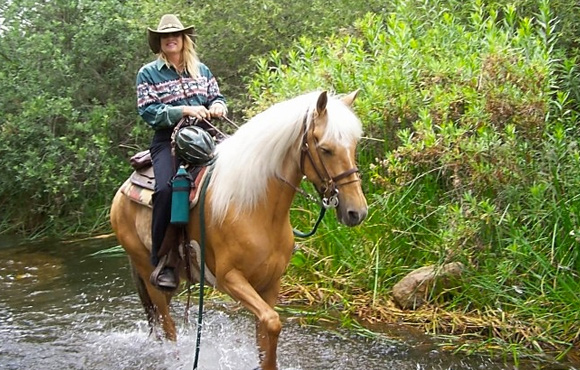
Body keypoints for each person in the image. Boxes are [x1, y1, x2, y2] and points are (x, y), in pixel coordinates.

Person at [136, 14, 227, 290]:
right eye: (165, 37)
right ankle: (164, 260)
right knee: (165, 189)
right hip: (169, 139)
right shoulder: (148, 73)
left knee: (247, 169)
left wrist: (220, 106)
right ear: (160, 43)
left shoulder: (203, 70)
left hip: (206, 135)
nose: (171, 39)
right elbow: (149, 112)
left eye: (175, 35)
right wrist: (184, 110)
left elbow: (216, 96)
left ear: (184, 39)